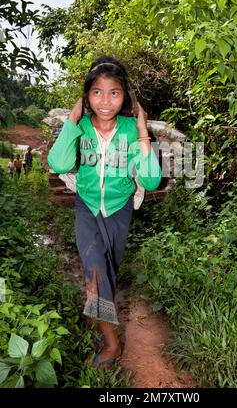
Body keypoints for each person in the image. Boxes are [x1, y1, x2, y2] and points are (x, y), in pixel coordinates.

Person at [47, 55, 162, 369]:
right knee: (95, 266)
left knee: (108, 266)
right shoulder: (81, 127)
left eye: (114, 92)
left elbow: (151, 179)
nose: (105, 100)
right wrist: (72, 117)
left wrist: (141, 131)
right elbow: (57, 163)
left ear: (125, 96)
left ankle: (97, 313)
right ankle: (112, 342)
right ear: (86, 96)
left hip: (118, 208)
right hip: (86, 205)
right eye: (97, 91)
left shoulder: (129, 129)